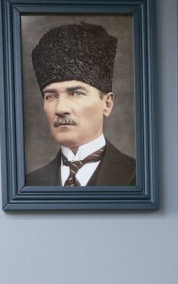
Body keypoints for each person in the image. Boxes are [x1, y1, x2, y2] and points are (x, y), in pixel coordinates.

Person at [26, 22, 136, 187]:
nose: (61, 109)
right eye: (51, 96)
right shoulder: (30, 183)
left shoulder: (140, 177)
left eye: (76, 93)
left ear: (107, 103)